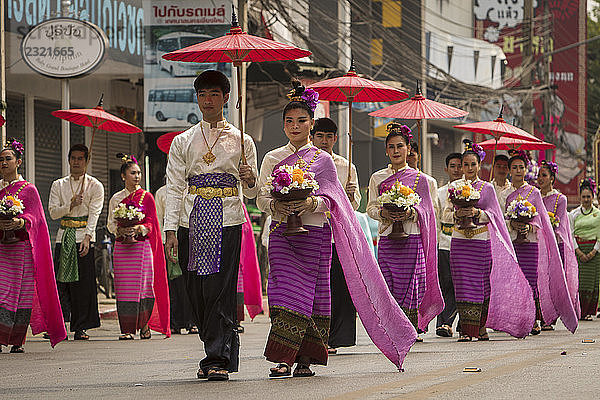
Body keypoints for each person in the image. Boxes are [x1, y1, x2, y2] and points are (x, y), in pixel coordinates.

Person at [257, 83, 421, 377]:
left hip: (315, 235)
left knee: (311, 294)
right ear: (283, 125)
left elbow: (335, 203)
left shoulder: (325, 161)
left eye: (301, 121)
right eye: (289, 121)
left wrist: (310, 202)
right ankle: (282, 357)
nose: (295, 126)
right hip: (282, 234)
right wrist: (276, 207)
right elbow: (261, 197)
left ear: (311, 123)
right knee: (282, 293)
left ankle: (305, 358)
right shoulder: (271, 158)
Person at [164, 70, 258, 381]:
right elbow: (175, 185)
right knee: (197, 291)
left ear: (226, 98)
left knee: (220, 290)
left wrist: (250, 178)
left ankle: (218, 356)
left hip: (228, 220)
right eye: (203, 94)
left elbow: (256, 192)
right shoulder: (183, 140)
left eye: (214, 94)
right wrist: (170, 231)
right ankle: (214, 347)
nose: (208, 100)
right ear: (197, 97)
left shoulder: (242, 139)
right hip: (191, 220)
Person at [441, 141, 535, 341]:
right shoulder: (454, 188)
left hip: (480, 241)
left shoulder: (487, 188)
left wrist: (477, 212)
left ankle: (481, 326)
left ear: (479, 165)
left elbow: (495, 215)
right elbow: (445, 215)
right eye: (465, 165)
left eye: (472, 164)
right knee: (462, 285)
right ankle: (467, 330)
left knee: (481, 285)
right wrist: (458, 215)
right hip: (459, 242)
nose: (468, 169)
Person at [366, 123, 443, 341]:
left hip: (414, 238)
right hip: (388, 240)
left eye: (400, 146)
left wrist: (411, 213)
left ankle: (410, 327)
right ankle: (394, 329)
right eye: (391, 147)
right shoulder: (377, 178)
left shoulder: (424, 181)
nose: (396, 151)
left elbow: (431, 211)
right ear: (386, 151)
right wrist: (385, 214)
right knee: (389, 285)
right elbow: (370, 208)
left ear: (409, 148)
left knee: (414, 284)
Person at [0, 139, 66, 353]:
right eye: (0, 159)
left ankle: (17, 340)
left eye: (8, 159)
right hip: (3, 248)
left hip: (22, 249)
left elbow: (37, 218)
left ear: (18, 161)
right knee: (3, 291)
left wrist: (21, 221)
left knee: (21, 293)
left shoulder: (29, 190)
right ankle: (1, 336)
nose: (3, 163)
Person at [505, 153, 577, 335]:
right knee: (517, 282)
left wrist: (530, 228)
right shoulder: (504, 193)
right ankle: (520, 318)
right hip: (513, 243)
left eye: (521, 167)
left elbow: (543, 221)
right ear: (509, 170)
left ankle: (538, 318)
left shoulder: (536, 193)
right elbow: (500, 218)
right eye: (514, 167)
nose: (518, 171)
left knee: (535, 281)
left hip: (536, 243)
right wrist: (513, 224)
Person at [310, 117, 361, 354]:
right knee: (319, 287)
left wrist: (351, 195)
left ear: (335, 139)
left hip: (338, 236)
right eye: (319, 136)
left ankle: (335, 337)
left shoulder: (347, 166)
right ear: (312, 137)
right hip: (313, 231)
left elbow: (356, 205)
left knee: (339, 287)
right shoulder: (304, 162)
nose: (324, 141)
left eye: (329, 137)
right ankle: (315, 336)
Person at [107, 155, 170, 339]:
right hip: (122, 248)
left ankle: (144, 324)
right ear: (123, 176)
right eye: (133, 173)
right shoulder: (116, 198)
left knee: (144, 287)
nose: (137, 176)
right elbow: (111, 223)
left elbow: (152, 222)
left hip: (141, 248)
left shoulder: (147, 197)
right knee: (124, 288)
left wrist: (139, 228)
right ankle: (126, 329)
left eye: (139, 173)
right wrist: (119, 230)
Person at [49, 144, 103, 340]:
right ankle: (59, 324)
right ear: (68, 160)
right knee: (61, 283)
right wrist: (69, 205)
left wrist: (89, 238)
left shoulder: (95, 186)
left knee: (83, 285)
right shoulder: (58, 185)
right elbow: (53, 213)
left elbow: (95, 214)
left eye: (81, 158)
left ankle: (81, 327)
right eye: (73, 158)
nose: (77, 162)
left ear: (87, 161)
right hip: (63, 236)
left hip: (83, 238)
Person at [538, 161, 580, 330]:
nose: (540, 178)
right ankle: (540, 316)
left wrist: (548, 224)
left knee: (552, 282)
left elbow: (560, 223)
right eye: (539, 175)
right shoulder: (534, 196)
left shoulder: (560, 199)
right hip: (537, 245)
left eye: (544, 175)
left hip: (555, 245)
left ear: (552, 178)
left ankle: (551, 318)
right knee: (539, 281)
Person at [156, 177, 197, 335]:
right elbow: (159, 219)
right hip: (170, 237)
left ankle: (193, 321)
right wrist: (163, 241)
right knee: (174, 281)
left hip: (191, 236)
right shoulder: (161, 193)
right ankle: (174, 322)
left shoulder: (193, 190)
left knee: (191, 280)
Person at [435, 153, 462, 338]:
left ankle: (454, 322)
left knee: (461, 284)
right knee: (446, 283)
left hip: (464, 242)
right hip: (444, 243)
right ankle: (444, 322)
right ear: (446, 169)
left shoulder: (472, 190)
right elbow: (436, 219)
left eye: (460, 165)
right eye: (453, 166)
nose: (457, 169)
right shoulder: (439, 193)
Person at [569, 178, 600, 321]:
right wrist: (579, 252)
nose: (586, 199)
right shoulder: (573, 214)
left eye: (589, 197)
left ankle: (588, 312)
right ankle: (578, 311)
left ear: (593, 197)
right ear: (580, 197)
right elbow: (570, 234)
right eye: (584, 197)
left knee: (591, 283)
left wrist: (593, 251)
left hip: (594, 252)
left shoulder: (598, 214)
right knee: (579, 282)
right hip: (579, 252)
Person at [407, 140, 440, 216]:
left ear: (419, 157)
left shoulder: (429, 181)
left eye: (411, 155)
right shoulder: (396, 180)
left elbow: (434, 210)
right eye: (405, 155)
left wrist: (415, 214)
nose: (407, 159)